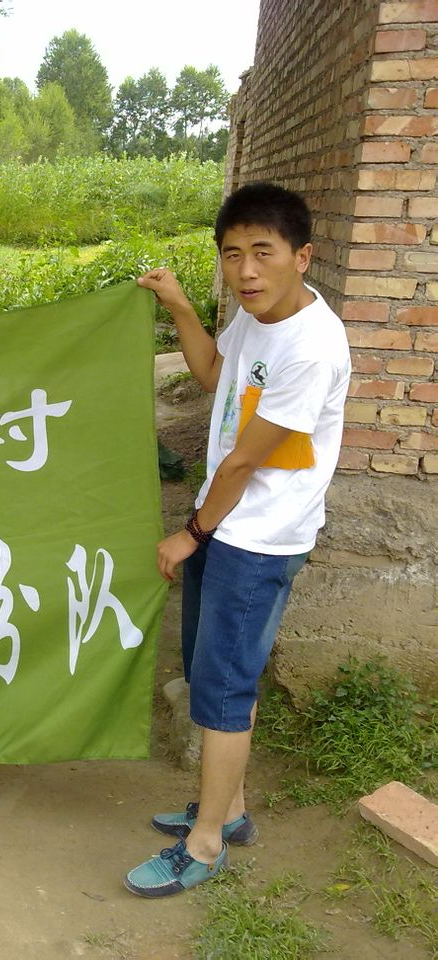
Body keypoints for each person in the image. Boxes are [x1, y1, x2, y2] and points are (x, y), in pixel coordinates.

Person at [126, 183, 350, 897]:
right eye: (232, 255)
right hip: (228, 525)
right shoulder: (254, 318)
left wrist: (188, 535)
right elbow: (218, 378)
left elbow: (245, 459)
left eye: (264, 253)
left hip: (256, 539)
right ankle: (234, 808)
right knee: (212, 672)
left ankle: (206, 842)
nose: (246, 271)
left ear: (302, 256)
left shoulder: (312, 347)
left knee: (222, 689)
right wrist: (182, 308)